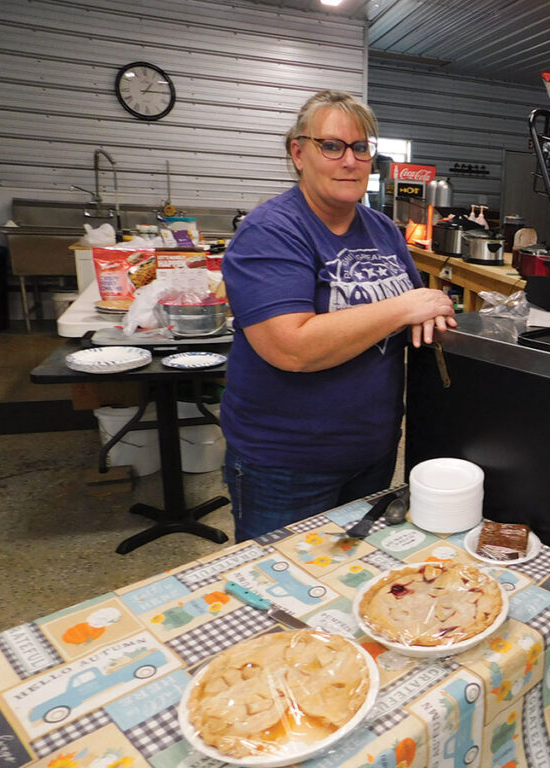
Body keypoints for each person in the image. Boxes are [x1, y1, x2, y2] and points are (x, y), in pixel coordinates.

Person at [221, 89, 456, 541]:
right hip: (286, 464)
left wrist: (432, 310)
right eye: (332, 146)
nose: (349, 161)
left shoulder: (384, 230)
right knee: (281, 595)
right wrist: (408, 305)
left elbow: (412, 318)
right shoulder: (272, 232)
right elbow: (292, 347)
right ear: (298, 152)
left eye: (361, 147)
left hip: (372, 453)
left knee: (351, 578)